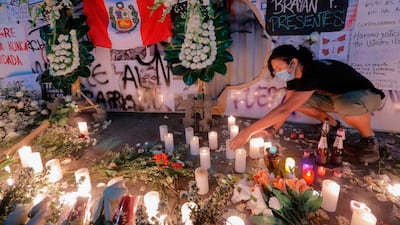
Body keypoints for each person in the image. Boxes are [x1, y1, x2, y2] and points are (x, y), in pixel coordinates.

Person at [228, 44, 385, 163]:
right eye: (275, 70)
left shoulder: (313, 71)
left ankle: (369, 140)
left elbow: (285, 109)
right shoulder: (294, 78)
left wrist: (248, 131)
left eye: (279, 68)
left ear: (294, 62)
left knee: (345, 106)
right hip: (337, 98)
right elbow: (287, 105)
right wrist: (273, 129)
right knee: (299, 102)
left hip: (366, 96)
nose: (278, 73)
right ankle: (331, 125)